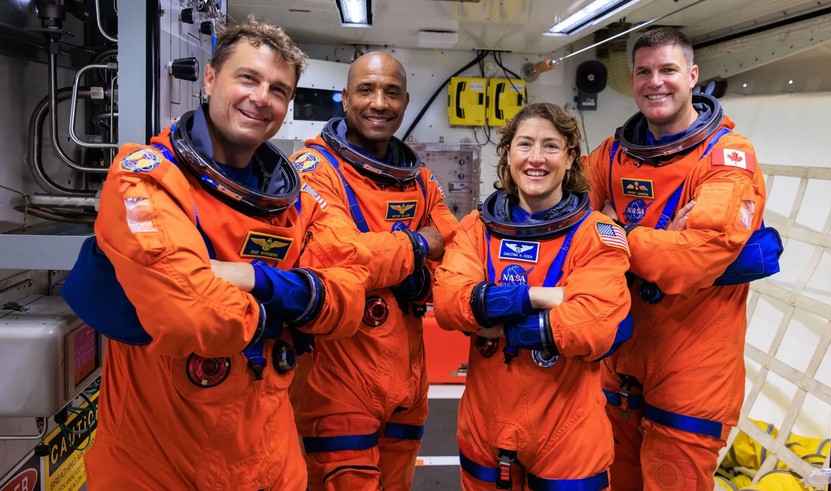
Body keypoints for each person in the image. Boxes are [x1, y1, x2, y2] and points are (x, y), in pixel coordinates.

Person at [61, 16, 370, 490]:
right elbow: (194, 315)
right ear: (210, 78)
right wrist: (293, 308)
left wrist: (254, 279)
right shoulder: (145, 177)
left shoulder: (299, 201)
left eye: (278, 89)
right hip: (160, 467)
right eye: (247, 77)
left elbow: (349, 297)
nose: (260, 98)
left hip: (271, 462)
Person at [582, 27, 769, 491]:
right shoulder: (611, 156)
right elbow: (567, 231)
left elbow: (697, 258)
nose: (655, 82)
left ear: (692, 75)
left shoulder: (727, 157)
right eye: (643, 72)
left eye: (667, 70)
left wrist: (617, 232)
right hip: (619, 357)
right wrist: (659, 240)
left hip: (693, 364)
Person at [433, 102, 632, 491]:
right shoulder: (478, 228)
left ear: (570, 157)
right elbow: (448, 302)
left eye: (550, 146)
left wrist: (497, 323)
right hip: (484, 424)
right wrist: (543, 298)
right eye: (524, 145)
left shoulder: (597, 234)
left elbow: (594, 326)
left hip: (568, 429)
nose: (536, 159)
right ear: (508, 154)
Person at [287, 51, 459, 490]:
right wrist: (419, 244)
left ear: (404, 102)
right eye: (366, 90)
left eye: (391, 92)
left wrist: (408, 273)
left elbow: (457, 255)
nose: (378, 102)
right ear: (345, 98)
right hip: (337, 378)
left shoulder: (418, 179)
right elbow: (337, 257)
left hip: (407, 379)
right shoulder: (315, 169)